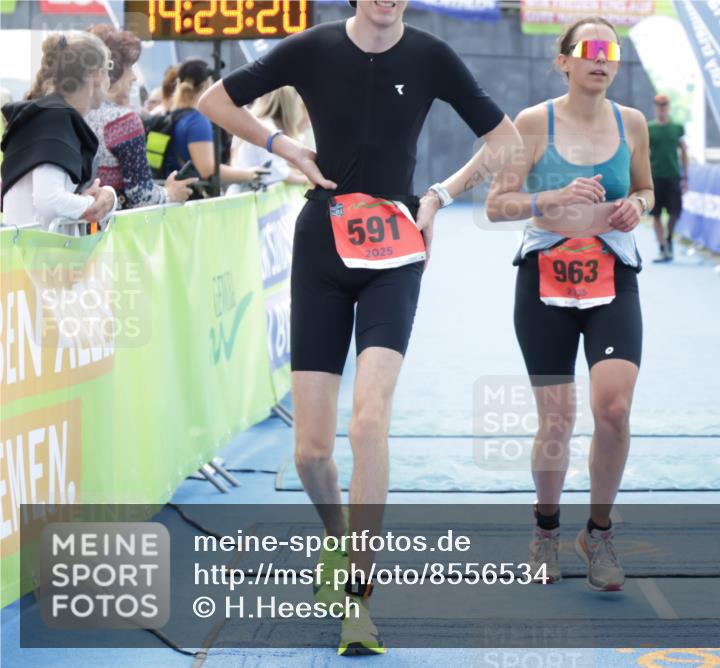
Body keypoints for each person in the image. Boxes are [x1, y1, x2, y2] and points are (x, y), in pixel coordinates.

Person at [198, 0, 520, 655]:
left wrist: (439, 195)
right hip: (321, 245)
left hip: (396, 250)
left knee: (369, 423)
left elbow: (505, 140)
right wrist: (285, 146)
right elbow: (214, 101)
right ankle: (338, 540)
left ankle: (358, 600)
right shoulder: (313, 47)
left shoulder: (430, 55)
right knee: (311, 453)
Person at [486, 16, 654, 593]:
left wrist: (639, 205)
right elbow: (496, 205)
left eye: (612, 51)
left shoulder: (632, 123)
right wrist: (551, 197)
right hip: (544, 280)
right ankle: (545, 529)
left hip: (612, 274)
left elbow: (646, 189)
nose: (602, 60)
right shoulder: (535, 122)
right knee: (556, 419)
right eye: (590, 50)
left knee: (613, 410)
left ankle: (599, 533)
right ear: (564, 61)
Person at [1, 32, 117, 230]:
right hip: (42, 256)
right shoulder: (55, 118)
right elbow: (49, 202)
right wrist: (103, 201)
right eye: (108, 68)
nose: (109, 78)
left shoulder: (49, 116)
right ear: (96, 74)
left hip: (31, 253)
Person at [84, 24, 195, 209]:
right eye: (130, 68)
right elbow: (140, 195)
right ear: (114, 70)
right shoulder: (123, 121)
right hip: (113, 230)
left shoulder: (73, 111)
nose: (134, 77)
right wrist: (170, 193)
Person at [165, 58, 263, 191]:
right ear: (207, 84)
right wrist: (250, 173)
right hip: (191, 200)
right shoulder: (197, 122)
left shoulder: (173, 116)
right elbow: (208, 169)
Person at [226, 86, 308, 195]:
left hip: (244, 197)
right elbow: (277, 172)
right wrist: (308, 179)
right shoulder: (267, 129)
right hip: (252, 200)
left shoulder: (252, 124)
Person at [648, 93, 687, 262]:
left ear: (668, 107)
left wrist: (685, 176)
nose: (661, 108)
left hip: (673, 176)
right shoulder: (649, 128)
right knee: (655, 214)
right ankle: (662, 247)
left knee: (675, 213)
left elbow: (684, 150)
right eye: (658, 105)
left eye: (664, 105)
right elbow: (642, 152)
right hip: (655, 177)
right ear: (655, 107)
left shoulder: (677, 128)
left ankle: (669, 237)